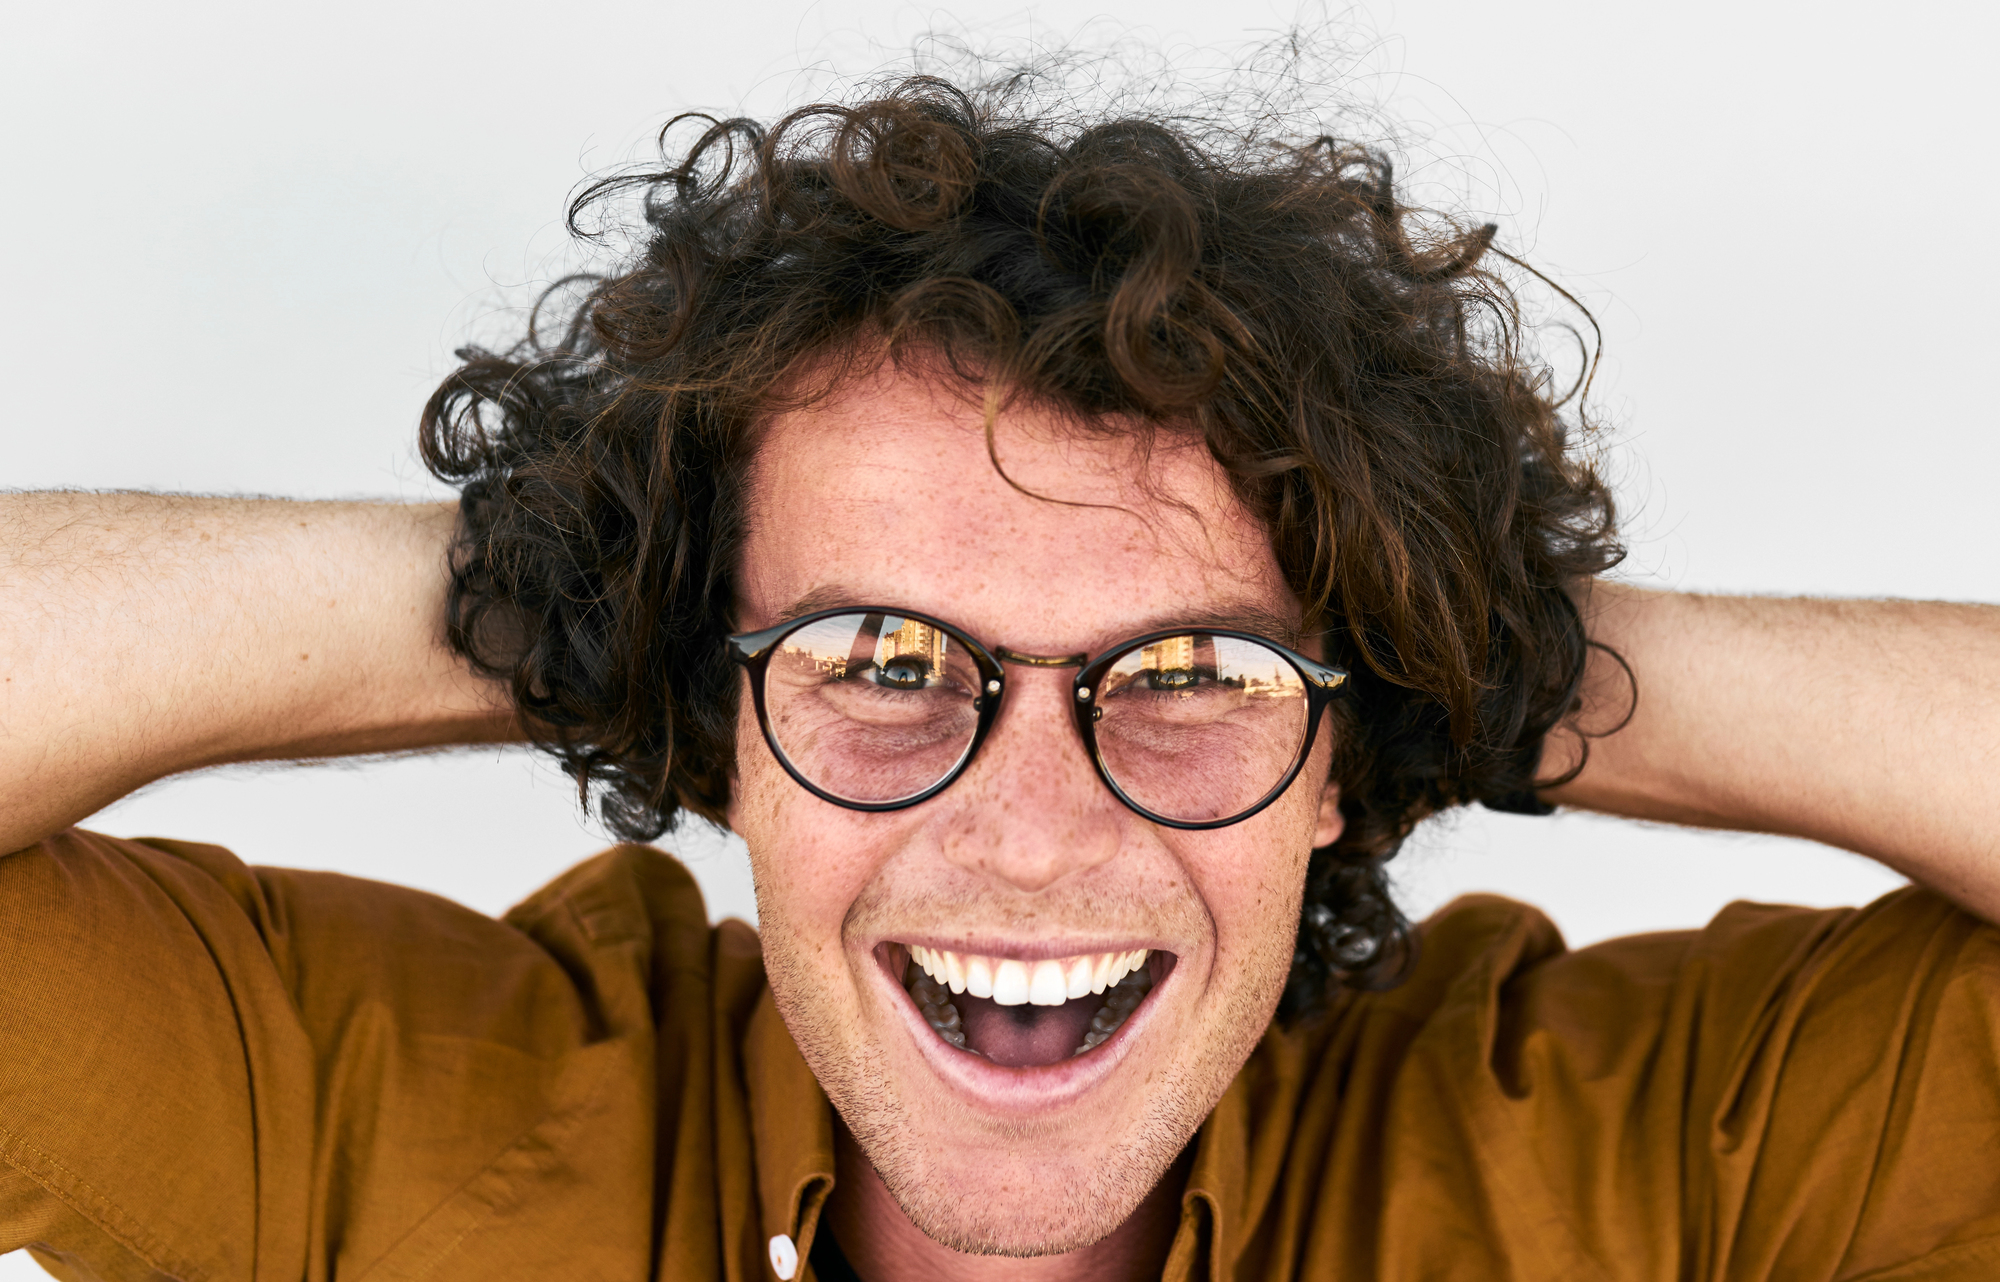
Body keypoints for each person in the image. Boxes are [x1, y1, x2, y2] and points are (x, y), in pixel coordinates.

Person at [2, 72, 1996, 1282]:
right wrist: (586, 590)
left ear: (1338, 751)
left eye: (1190, 670)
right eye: (882, 659)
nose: (1030, 835)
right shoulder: (360, 1117)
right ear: (722, 721)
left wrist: (1474, 644)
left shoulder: (1665, 1156)